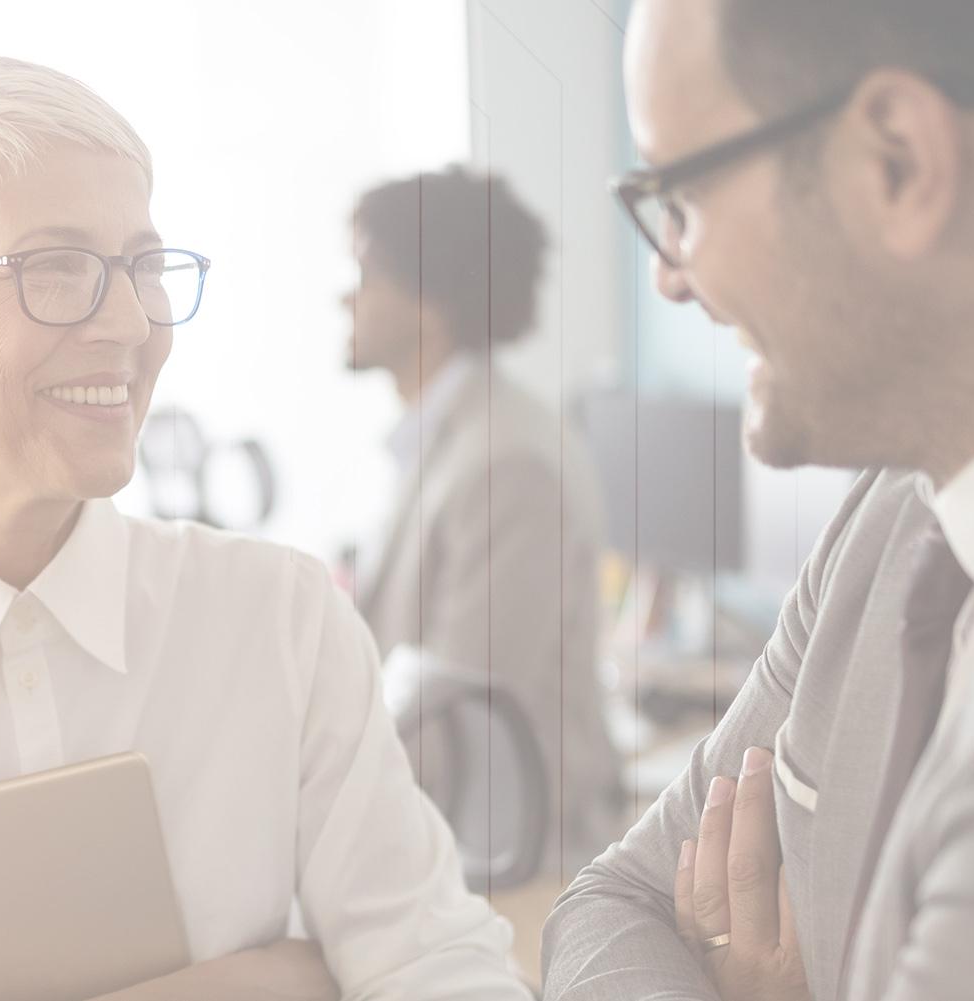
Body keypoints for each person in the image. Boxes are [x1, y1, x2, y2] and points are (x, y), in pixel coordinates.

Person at [0, 56, 529, 1000]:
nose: (129, 321)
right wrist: (266, 983)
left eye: (143, 267)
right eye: (57, 268)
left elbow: (438, 963)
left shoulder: (280, 615)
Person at [545, 2, 974, 999]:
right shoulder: (903, 493)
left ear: (900, 160)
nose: (669, 275)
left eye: (684, 198)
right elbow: (612, 899)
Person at [345, 166, 620, 982]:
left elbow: (455, 725)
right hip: (463, 854)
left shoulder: (507, 460)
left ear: (429, 302)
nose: (345, 299)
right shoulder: (448, 439)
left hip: (513, 868)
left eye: (365, 275)